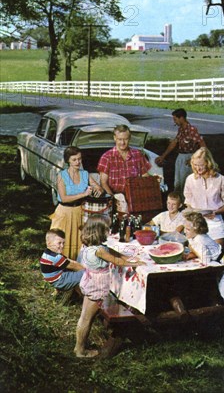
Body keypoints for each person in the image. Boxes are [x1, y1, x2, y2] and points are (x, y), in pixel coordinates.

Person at [75, 216, 143, 358]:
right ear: (99, 231)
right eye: (107, 229)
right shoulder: (99, 250)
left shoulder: (91, 246)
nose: (109, 232)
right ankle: (80, 350)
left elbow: (115, 254)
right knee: (87, 318)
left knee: (85, 316)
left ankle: (79, 347)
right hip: (97, 286)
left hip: (90, 282)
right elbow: (116, 261)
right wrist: (135, 264)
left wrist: (128, 258)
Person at [50, 146, 103, 260]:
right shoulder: (61, 176)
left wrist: (97, 190)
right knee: (60, 242)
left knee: (79, 243)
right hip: (64, 213)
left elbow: (98, 188)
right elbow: (64, 198)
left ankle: (76, 269)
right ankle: (57, 270)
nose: (78, 162)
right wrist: (84, 194)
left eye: (79, 159)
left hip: (80, 212)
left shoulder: (85, 174)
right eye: (74, 159)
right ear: (68, 160)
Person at [183, 147, 224, 246]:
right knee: (195, 253)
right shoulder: (190, 179)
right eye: (195, 165)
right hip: (196, 222)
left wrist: (216, 212)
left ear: (208, 163)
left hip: (215, 220)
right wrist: (191, 213)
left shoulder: (221, 180)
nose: (198, 168)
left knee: (217, 251)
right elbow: (188, 201)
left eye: (201, 165)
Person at [155, 108, 206, 198]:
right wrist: (163, 156)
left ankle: (188, 203)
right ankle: (178, 203)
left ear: (181, 118)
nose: (175, 122)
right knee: (178, 183)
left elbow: (203, 146)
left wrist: (194, 158)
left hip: (188, 157)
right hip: (180, 157)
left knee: (186, 182)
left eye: (175, 119)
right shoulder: (181, 130)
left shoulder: (191, 130)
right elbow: (174, 143)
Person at [183, 212, 224, 293]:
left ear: (197, 229)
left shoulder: (199, 240)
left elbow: (206, 261)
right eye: (184, 228)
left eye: (187, 229)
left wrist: (192, 252)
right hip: (220, 261)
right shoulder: (193, 236)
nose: (184, 231)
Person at [97, 124, 151, 198]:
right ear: (115, 138)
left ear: (129, 138)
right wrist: (112, 199)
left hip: (135, 196)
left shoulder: (138, 154)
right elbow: (103, 183)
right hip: (115, 195)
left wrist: (154, 180)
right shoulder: (106, 157)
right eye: (120, 139)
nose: (122, 143)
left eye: (125, 139)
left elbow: (145, 176)